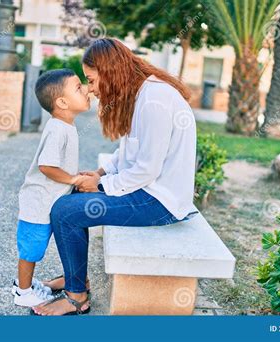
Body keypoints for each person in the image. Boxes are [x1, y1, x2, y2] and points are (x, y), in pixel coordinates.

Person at [32, 38, 198, 316]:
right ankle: (77, 278)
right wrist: (99, 173)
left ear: (110, 72)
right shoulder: (143, 92)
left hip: (160, 202)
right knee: (71, 196)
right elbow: (130, 148)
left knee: (65, 211)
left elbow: (146, 169)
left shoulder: (154, 99)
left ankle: (77, 297)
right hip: (149, 190)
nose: (92, 89)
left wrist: (99, 184)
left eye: (93, 80)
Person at [13, 69, 91, 307]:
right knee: (31, 250)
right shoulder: (58, 128)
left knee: (37, 248)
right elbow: (47, 166)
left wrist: (74, 177)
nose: (87, 89)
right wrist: (74, 180)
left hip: (50, 200)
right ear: (62, 102)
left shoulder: (66, 125)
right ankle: (23, 292)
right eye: (79, 87)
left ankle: (27, 284)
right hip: (38, 203)